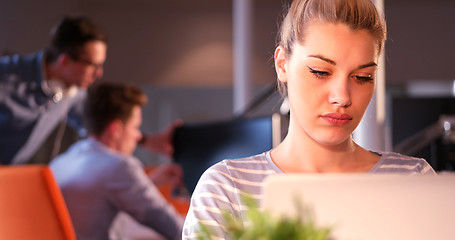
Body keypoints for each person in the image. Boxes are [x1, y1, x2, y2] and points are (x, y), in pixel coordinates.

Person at [182, 0, 436, 239]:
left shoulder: (414, 180)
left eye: (362, 77)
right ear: (282, 64)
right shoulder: (227, 189)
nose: (342, 97)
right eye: (321, 72)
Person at [0, 16, 178, 165]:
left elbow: (103, 126)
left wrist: (148, 141)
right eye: (93, 65)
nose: (99, 73)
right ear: (65, 61)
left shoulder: (72, 92)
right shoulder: (5, 78)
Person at [50, 82, 184, 240]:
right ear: (116, 129)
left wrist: (149, 181)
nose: (138, 136)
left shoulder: (63, 161)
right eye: (135, 127)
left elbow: (102, 198)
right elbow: (173, 227)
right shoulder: (119, 166)